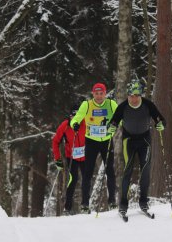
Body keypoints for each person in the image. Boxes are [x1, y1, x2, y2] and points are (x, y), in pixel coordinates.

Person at [108, 80, 165, 216]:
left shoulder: (148, 105)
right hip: (129, 140)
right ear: (128, 95)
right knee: (127, 169)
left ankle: (143, 201)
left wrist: (161, 124)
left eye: (136, 96)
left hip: (145, 140)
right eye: (131, 96)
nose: (134, 99)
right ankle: (123, 203)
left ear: (140, 95)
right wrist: (111, 127)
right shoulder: (122, 107)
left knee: (145, 169)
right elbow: (114, 121)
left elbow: (161, 119)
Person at [70, 83, 118, 213]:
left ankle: (112, 201)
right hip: (91, 141)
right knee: (88, 172)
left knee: (110, 171)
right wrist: (75, 124)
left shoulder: (111, 104)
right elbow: (77, 118)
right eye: (96, 94)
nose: (99, 96)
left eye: (101, 93)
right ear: (93, 94)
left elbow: (120, 117)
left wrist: (115, 124)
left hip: (107, 141)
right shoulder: (87, 105)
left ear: (105, 93)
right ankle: (85, 204)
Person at [52, 105, 86, 215]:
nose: (75, 119)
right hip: (72, 157)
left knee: (87, 179)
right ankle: (67, 208)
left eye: (77, 116)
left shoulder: (85, 122)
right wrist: (57, 159)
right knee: (73, 179)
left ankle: (86, 206)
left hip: (86, 156)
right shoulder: (65, 126)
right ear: (70, 116)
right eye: (72, 116)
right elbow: (56, 141)